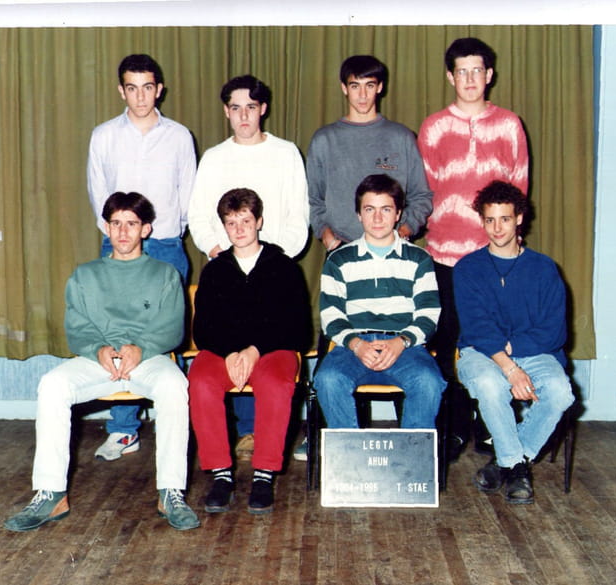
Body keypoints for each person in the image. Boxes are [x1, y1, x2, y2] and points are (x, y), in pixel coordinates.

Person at [4, 192, 199, 532]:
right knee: (53, 384)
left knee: (174, 384)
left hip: (147, 357)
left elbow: (172, 327)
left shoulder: (165, 274)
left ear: (146, 229)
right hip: (99, 359)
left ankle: (171, 492)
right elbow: (76, 326)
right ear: (106, 227)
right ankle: (50, 493)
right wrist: (98, 349)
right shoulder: (85, 275)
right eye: (116, 223)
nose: (123, 232)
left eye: (132, 224)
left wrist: (141, 348)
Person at [187, 74, 309, 462]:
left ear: (263, 109)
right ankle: (242, 433)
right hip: (229, 263)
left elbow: (298, 215)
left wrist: (270, 259)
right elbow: (198, 215)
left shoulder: (285, 153)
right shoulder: (214, 158)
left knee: (269, 346)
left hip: (272, 266)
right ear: (226, 111)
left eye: (251, 108)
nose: (244, 116)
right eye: (236, 108)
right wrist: (222, 252)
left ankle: (263, 443)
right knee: (229, 341)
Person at [417, 38, 529, 458]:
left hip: (493, 257)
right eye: (461, 71)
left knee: (494, 338)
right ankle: (455, 425)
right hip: (444, 254)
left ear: (489, 75)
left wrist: (510, 242)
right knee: (449, 343)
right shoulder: (433, 127)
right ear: (450, 77)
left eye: (476, 70)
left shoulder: (510, 125)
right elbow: (424, 189)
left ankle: (491, 424)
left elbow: (519, 188)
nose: (469, 79)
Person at [86, 54, 196, 461]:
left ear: (159, 89)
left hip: (165, 244)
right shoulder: (104, 136)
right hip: (117, 245)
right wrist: (120, 237)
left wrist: (165, 234)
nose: (141, 96)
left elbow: (188, 193)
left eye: (148, 87)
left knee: (168, 336)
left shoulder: (179, 136)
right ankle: (123, 429)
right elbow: (98, 193)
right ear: (122, 90)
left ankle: (175, 425)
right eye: (132, 88)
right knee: (119, 333)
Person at [188, 188, 311, 515]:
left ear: (259, 222)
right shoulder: (215, 270)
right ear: (224, 228)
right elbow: (203, 329)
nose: (239, 229)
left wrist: (255, 350)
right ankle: (221, 473)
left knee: (275, 383)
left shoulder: (283, 266)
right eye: (231, 223)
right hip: (223, 352)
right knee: (200, 381)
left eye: (245, 221)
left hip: (271, 349)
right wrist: (230, 352)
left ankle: (264, 474)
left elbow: (297, 325)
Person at [454, 181, 574, 504]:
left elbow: (554, 331)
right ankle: (517, 469)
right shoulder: (467, 269)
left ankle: (506, 461)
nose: (497, 228)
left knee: (560, 392)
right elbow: (477, 329)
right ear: (482, 221)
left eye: (505, 219)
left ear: (519, 218)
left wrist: (512, 349)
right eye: (490, 220)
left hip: (535, 352)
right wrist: (510, 368)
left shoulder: (544, 268)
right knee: (490, 385)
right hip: (481, 353)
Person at [313, 174, 445, 431]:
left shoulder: (419, 259)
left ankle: (412, 456)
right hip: (353, 347)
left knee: (428, 381)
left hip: (405, 347)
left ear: (398, 214)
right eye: (369, 209)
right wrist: (357, 344)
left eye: (386, 209)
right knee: (328, 379)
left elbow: (428, 314)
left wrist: (401, 341)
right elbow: (331, 316)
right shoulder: (339, 259)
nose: (377, 218)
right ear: (358, 214)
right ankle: (349, 455)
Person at [307, 55, 433, 252]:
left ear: (380, 87)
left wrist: (404, 231)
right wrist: (327, 237)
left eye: (370, 85)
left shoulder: (401, 137)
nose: (363, 95)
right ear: (344, 88)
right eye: (355, 86)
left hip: (393, 247)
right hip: (342, 247)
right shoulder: (324, 140)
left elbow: (421, 195)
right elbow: (313, 199)